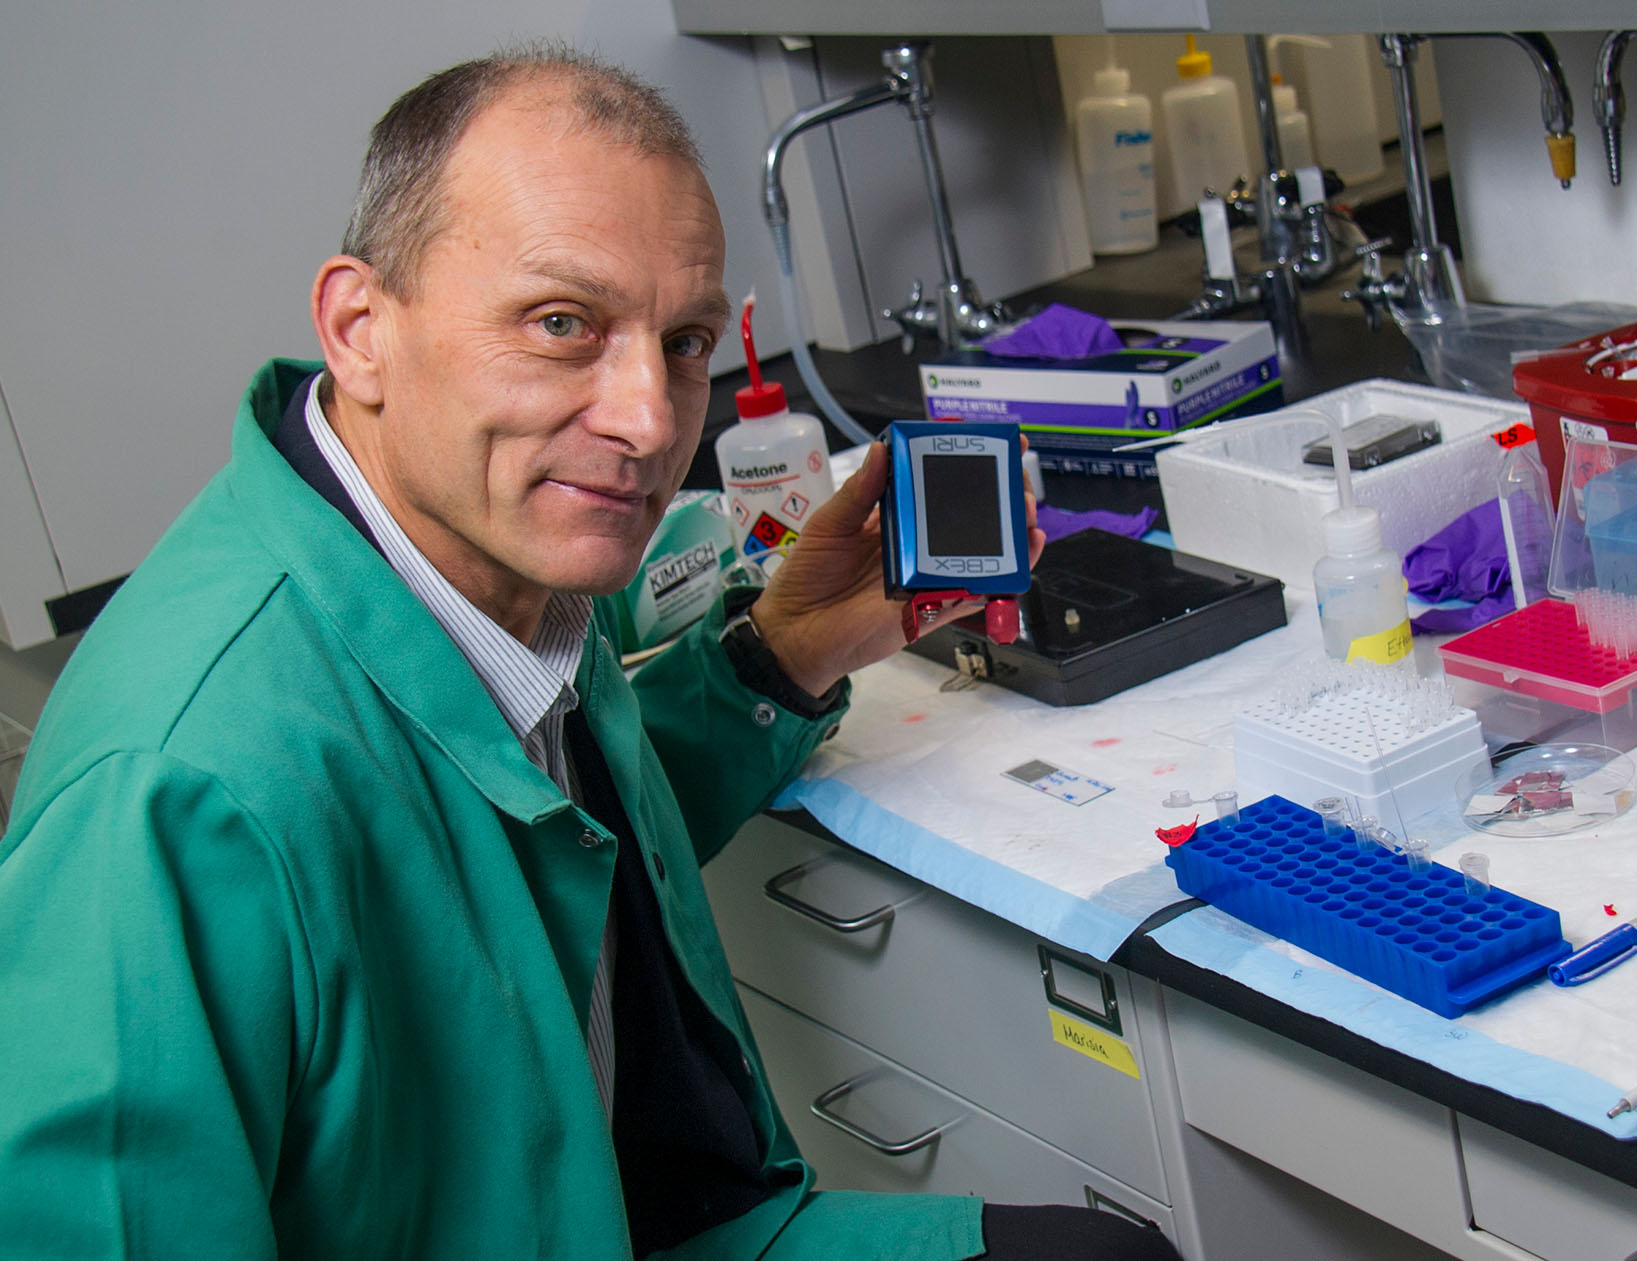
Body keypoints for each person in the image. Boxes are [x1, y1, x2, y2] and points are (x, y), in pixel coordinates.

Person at [0, 45, 1182, 1261]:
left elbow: (518, 843)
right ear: (360, 328)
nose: (653, 419)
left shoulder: (495, 557)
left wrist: (781, 658)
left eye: (681, 339)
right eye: (562, 323)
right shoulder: (175, 792)